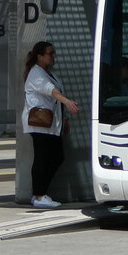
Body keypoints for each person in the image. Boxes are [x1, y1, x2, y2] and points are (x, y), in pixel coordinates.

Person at [21, 41, 79, 209]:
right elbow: (52, 91)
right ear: (40, 56)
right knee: (43, 158)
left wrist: (65, 119)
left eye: (54, 53)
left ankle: (40, 194)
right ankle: (39, 195)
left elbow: (54, 93)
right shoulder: (36, 73)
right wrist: (67, 102)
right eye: (50, 53)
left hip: (50, 124)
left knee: (55, 157)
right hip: (40, 124)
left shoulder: (48, 73)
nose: (53, 57)